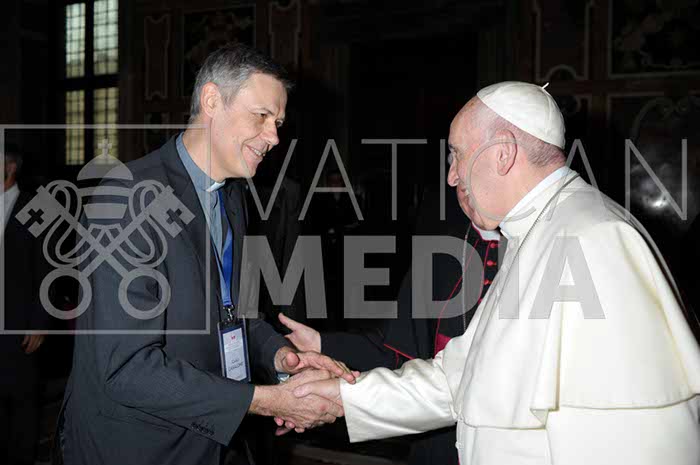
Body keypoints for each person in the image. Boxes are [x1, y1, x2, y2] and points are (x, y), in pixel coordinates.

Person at [292, 82, 700, 465]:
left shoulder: (595, 236)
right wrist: (341, 397)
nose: (452, 175)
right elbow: (460, 379)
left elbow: (631, 438)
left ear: (502, 153)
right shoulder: (535, 231)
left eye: (457, 154)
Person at [58, 45, 355, 465]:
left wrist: (282, 356)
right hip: (140, 447)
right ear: (212, 100)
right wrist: (266, 400)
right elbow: (127, 369)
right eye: (261, 116)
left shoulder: (232, 195)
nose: (274, 137)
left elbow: (235, 313)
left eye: (277, 123)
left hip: (213, 440)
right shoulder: (127, 198)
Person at [279, 186, 501, 464]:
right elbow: (398, 349)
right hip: (438, 443)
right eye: (450, 165)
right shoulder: (441, 252)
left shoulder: (540, 249)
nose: (452, 177)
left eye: (461, 163)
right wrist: (321, 344)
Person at [0, 147, 50, 465]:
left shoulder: (35, 206)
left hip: (19, 324)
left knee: (20, 403)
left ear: (10, 167)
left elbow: (48, 269)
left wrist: (40, 322)